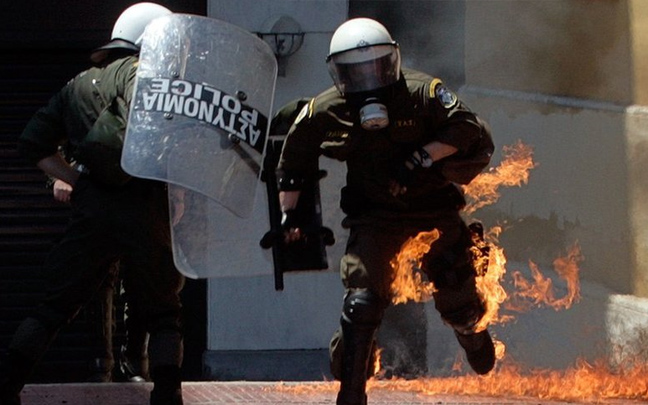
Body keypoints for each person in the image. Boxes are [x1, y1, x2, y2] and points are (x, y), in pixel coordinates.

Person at [276, 18, 496, 405]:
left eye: (375, 68)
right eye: (355, 72)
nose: (368, 80)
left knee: (460, 300)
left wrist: (420, 159)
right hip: (375, 217)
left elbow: (467, 128)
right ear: (339, 74)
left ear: (392, 62)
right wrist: (289, 217)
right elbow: (293, 161)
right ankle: (352, 390)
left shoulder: (423, 92)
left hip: (433, 211)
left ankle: (472, 335)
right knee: (361, 304)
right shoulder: (326, 109)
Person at [3, 3, 185, 405]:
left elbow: (32, 143)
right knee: (163, 313)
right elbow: (158, 128)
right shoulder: (144, 72)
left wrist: (78, 181)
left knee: (53, 306)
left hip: (93, 211)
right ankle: (167, 394)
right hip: (145, 207)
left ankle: (7, 385)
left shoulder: (77, 84)